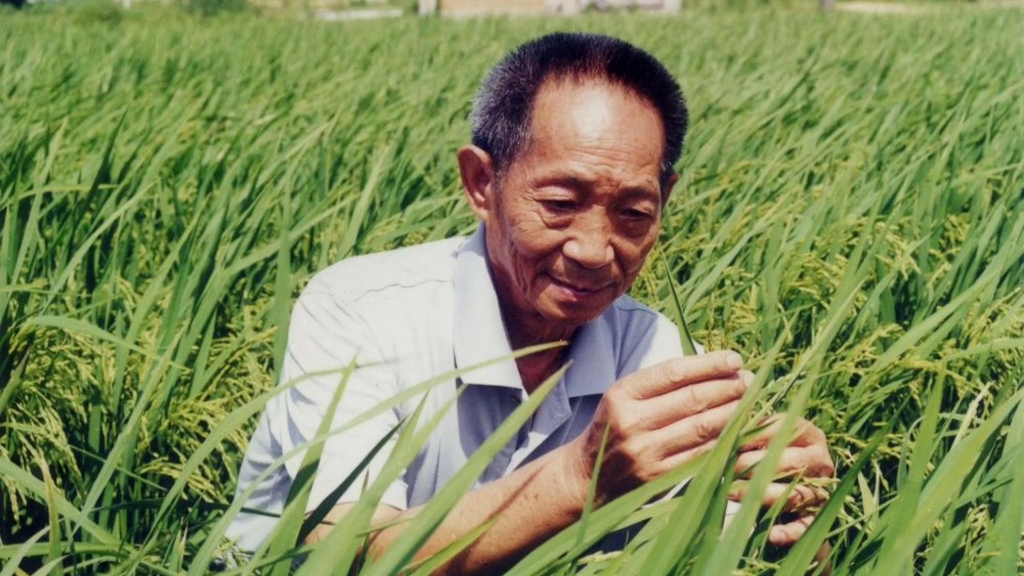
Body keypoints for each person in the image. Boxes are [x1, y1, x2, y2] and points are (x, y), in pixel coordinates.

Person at [227, 32, 833, 573]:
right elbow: (349, 552)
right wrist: (581, 477)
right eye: (560, 203)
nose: (596, 250)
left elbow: (717, 548)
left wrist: (791, 518)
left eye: (634, 213)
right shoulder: (358, 311)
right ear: (481, 183)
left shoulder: (657, 353)